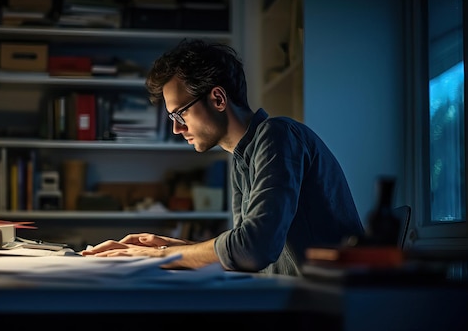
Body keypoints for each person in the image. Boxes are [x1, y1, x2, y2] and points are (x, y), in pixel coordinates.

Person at [81, 39, 365, 275]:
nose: (176, 128)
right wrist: (165, 248)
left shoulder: (278, 135)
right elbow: (246, 257)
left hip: (328, 310)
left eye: (180, 114)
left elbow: (253, 251)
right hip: (295, 301)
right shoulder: (242, 156)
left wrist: (166, 254)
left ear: (217, 99)